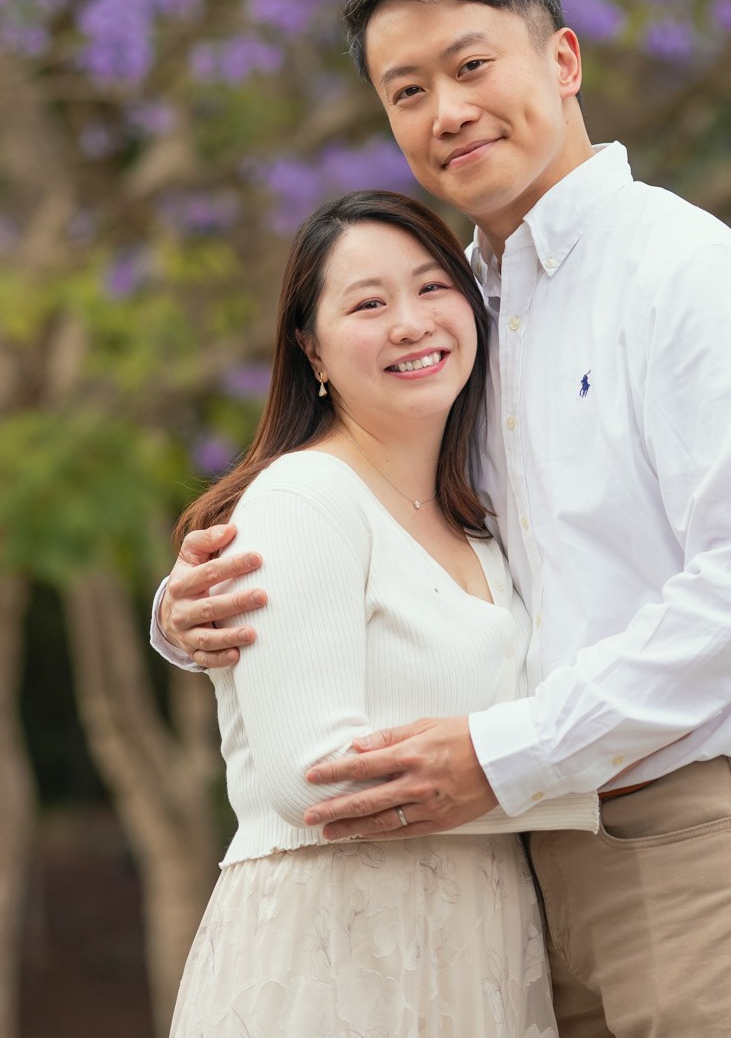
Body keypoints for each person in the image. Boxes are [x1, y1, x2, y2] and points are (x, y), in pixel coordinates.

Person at [154, 0, 731, 1037]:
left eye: (471, 65)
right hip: (520, 860)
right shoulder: (465, 313)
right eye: (406, 89)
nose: (446, 110)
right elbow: (392, 535)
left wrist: (502, 754)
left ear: (561, 61)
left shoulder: (681, 271)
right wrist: (194, 612)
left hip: (691, 824)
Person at [164, 189, 597, 1037]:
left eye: (433, 287)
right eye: (368, 303)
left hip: (480, 948)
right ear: (311, 348)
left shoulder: (481, 525)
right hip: (336, 956)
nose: (410, 322)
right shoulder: (305, 494)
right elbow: (310, 776)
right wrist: (582, 778)